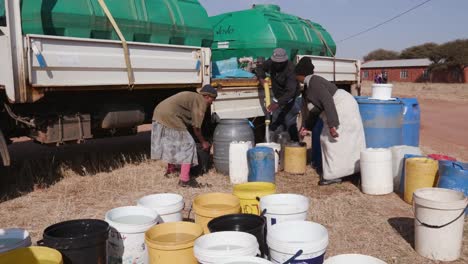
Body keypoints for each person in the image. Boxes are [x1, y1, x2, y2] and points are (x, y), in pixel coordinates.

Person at [295, 57, 366, 185]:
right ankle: (352, 171)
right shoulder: (309, 85)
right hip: (342, 105)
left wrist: (332, 125)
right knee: (347, 141)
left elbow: (327, 101)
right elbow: (315, 110)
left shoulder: (314, 82)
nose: (295, 78)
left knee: (331, 140)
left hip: (342, 106)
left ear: (301, 74)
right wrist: (306, 126)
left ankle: (334, 175)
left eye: (296, 75)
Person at [151, 85, 217, 188]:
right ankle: (185, 180)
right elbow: (196, 128)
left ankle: (171, 171)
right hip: (170, 116)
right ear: (207, 97)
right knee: (189, 144)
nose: (212, 102)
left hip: (159, 112)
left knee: (171, 144)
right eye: (213, 99)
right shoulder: (201, 102)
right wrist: (203, 142)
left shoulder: (194, 97)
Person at [256, 48, 300, 142]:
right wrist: (261, 78)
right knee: (276, 126)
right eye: (276, 62)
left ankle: (295, 148)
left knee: (290, 126)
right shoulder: (271, 62)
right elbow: (260, 67)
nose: (277, 64)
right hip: (278, 98)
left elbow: (290, 92)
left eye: (280, 63)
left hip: (290, 101)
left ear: (284, 61)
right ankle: (277, 149)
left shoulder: (290, 69)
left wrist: (277, 104)